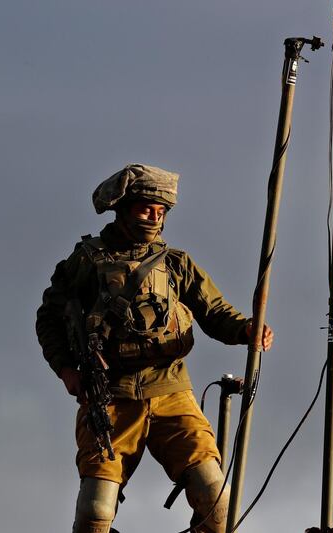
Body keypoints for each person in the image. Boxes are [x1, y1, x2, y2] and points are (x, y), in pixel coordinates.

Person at [35, 164, 273, 533]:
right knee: (95, 511)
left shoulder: (176, 263)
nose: (154, 217)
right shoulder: (85, 261)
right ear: (124, 207)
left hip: (171, 391)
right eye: (146, 208)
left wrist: (246, 329)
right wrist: (66, 369)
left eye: (161, 211)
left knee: (215, 495)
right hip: (109, 397)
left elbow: (215, 312)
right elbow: (49, 318)